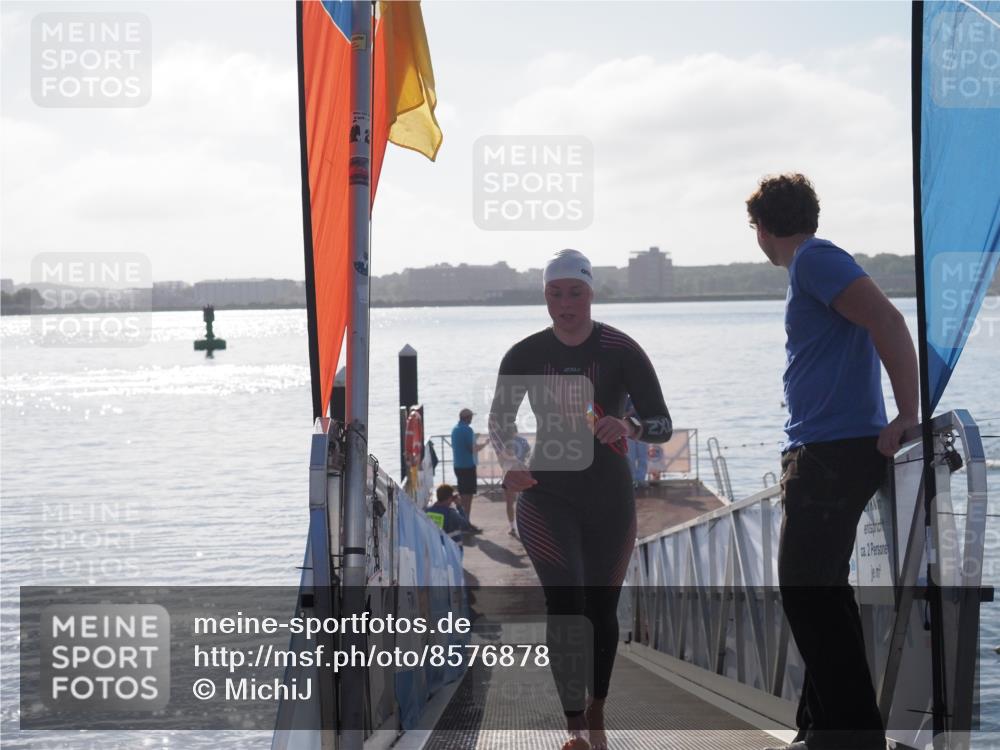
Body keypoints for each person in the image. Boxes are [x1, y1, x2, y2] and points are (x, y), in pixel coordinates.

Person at [747, 174, 918, 750]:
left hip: (834, 453)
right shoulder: (813, 264)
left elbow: (888, 321)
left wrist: (906, 414)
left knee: (806, 590)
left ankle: (853, 737)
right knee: (819, 589)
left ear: (763, 229)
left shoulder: (815, 260)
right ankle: (821, 728)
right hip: (823, 451)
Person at [488, 248, 673, 750]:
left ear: (591, 294)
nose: (565, 303)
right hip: (546, 493)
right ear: (545, 296)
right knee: (566, 602)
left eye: (575, 292)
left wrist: (630, 425)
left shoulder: (621, 350)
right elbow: (499, 424)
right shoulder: (524, 354)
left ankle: (596, 712)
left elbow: (662, 423)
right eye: (555, 293)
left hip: (609, 494)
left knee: (601, 609)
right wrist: (510, 464)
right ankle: (573, 726)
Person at [451, 407, 488, 532]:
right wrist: (485, 444)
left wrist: (473, 438)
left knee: (463, 494)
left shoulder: (455, 430)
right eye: (471, 417)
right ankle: (466, 523)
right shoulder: (468, 430)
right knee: (468, 497)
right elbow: (472, 449)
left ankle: (463, 521)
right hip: (467, 466)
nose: (472, 419)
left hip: (458, 466)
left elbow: (461, 445)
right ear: (467, 418)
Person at [499, 425, 531, 538]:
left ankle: (513, 527)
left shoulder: (504, 444)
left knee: (509, 502)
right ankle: (524, 526)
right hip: (521, 473)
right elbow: (528, 455)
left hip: (508, 474)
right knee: (523, 502)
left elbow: (501, 460)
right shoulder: (523, 441)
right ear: (516, 430)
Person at [623, 396, 649, 488]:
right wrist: (631, 412)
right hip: (630, 432)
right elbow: (621, 415)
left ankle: (641, 480)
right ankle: (632, 480)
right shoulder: (626, 400)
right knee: (631, 458)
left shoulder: (645, 399)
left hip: (643, 432)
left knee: (643, 457)